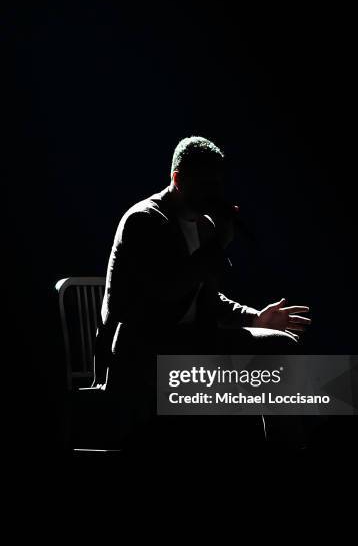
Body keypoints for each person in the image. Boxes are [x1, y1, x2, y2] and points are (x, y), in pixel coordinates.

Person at [94, 136, 311, 450]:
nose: (213, 194)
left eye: (217, 185)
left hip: (189, 343)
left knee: (279, 347)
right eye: (204, 184)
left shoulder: (205, 228)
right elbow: (165, 291)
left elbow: (210, 302)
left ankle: (284, 449)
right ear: (178, 178)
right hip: (144, 348)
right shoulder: (144, 221)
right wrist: (216, 247)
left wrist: (257, 318)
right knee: (272, 352)